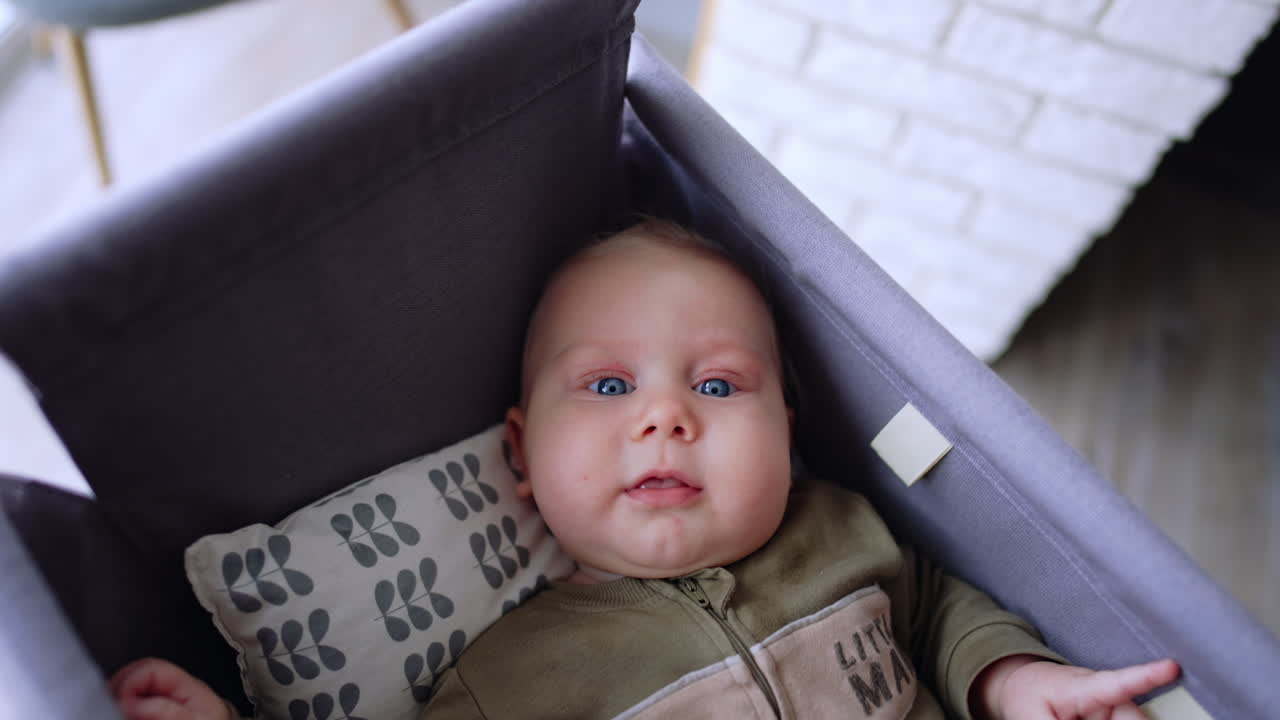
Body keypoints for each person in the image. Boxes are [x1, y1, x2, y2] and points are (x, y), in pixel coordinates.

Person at [112, 219, 1179, 720]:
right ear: (520, 455)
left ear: (788, 428)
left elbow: (938, 611)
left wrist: (1010, 680)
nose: (666, 415)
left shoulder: (843, 531)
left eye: (717, 389)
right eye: (608, 388)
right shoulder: (507, 679)